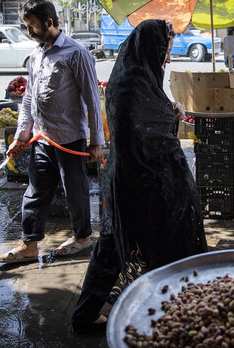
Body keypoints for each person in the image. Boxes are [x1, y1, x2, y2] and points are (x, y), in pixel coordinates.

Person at [71, 19, 207, 333]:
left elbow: (151, 119)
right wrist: (166, 116)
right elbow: (137, 134)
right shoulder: (129, 83)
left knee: (118, 247)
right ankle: (92, 315)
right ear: (149, 49)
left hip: (145, 181)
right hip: (134, 183)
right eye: (165, 52)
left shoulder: (140, 76)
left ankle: (92, 313)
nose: (168, 59)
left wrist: (168, 110)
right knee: (117, 246)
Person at [0, 0, 104, 264]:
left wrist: (95, 140)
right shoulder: (35, 56)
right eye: (26, 26)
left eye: (32, 26)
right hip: (42, 138)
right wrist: (22, 135)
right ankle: (29, 245)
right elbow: (29, 99)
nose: (28, 32)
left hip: (70, 140)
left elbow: (92, 98)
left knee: (74, 190)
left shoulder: (77, 53)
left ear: (49, 22)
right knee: (35, 190)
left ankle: (82, 238)